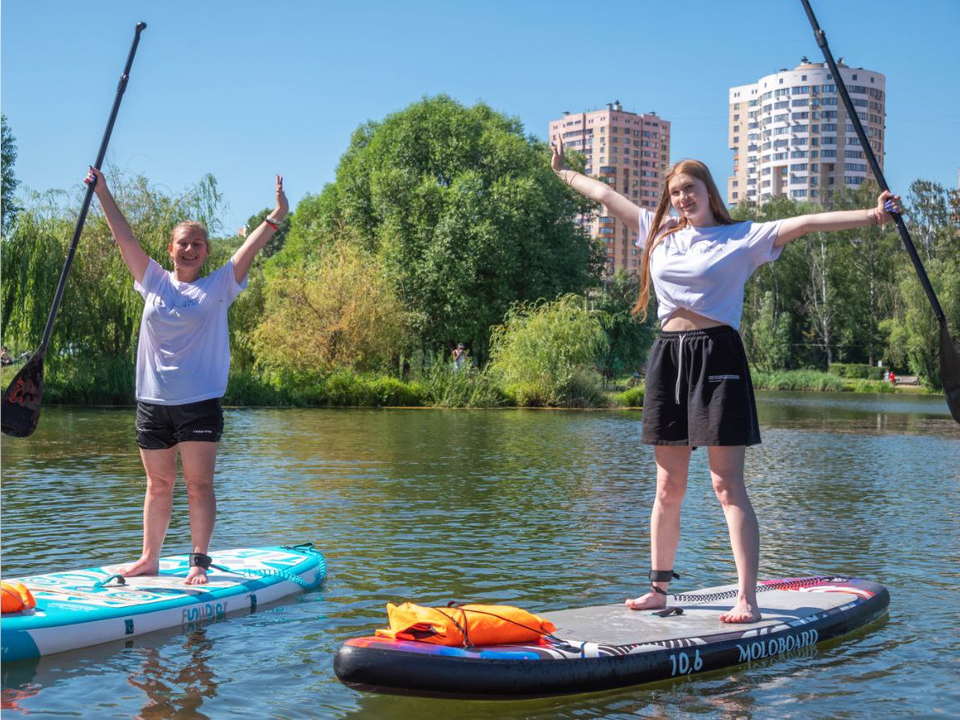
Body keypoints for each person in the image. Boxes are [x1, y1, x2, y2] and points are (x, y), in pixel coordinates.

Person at [551, 136, 902, 622]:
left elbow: (805, 223)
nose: (682, 198)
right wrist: (562, 172)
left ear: (708, 191)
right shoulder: (657, 231)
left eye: (689, 189)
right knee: (667, 487)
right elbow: (605, 195)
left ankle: (746, 599)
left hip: (718, 355)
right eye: (675, 192)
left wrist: (873, 215)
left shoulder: (743, 237)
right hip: (668, 357)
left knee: (726, 485)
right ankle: (658, 589)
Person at [86, 167, 288, 585]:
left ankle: (199, 560)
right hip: (152, 402)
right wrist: (102, 192)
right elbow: (124, 239)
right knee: (158, 485)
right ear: (171, 249)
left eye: (197, 244)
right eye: (183, 243)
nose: (190, 249)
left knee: (198, 485)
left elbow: (249, 247)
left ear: (206, 251)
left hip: (198, 403)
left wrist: (277, 215)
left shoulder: (220, 285)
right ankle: (149, 559)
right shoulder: (153, 280)